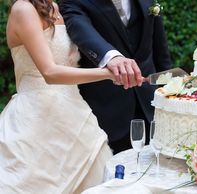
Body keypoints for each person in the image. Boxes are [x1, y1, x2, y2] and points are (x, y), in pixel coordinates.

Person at [0, 0, 118, 193]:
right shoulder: (23, 8)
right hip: (35, 122)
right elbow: (50, 73)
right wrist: (108, 73)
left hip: (75, 116)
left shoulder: (55, 7)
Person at [60, 0, 172, 154]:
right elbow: (81, 29)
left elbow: (159, 50)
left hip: (152, 107)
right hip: (107, 113)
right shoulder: (73, 2)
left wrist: (170, 92)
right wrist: (111, 58)